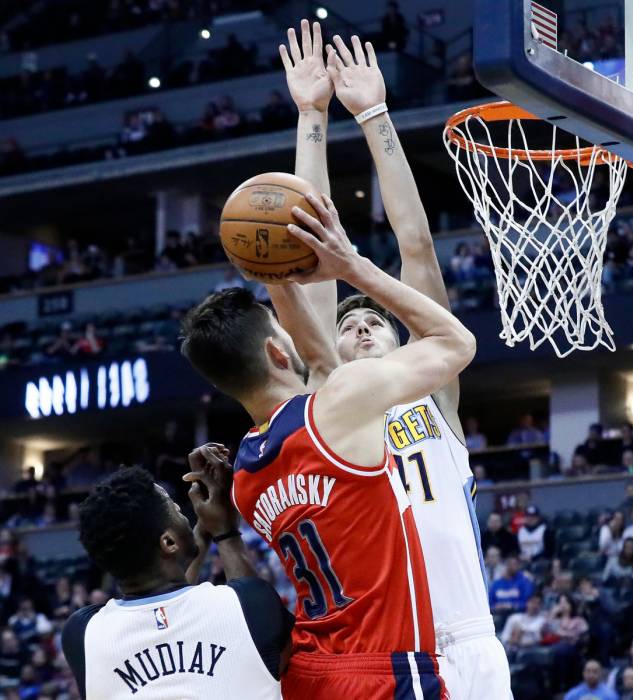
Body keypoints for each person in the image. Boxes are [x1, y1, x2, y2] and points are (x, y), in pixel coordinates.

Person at [270, 27, 510, 699]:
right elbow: (310, 266)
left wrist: (375, 116)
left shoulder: (433, 398)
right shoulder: (329, 403)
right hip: (386, 652)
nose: (366, 325)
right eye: (349, 327)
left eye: (377, 319)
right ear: (327, 354)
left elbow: (417, 248)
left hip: (469, 644)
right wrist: (311, 117)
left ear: (405, 342)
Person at [180, 205, 467, 695]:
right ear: (276, 351)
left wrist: (276, 274)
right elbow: (454, 341)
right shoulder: (342, 404)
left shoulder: (246, 475)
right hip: (385, 667)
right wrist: (351, 266)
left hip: (313, 673)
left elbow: (314, 357)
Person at [62, 453, 292, 699]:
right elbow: (268, 646)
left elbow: (169, 612)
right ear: (169, 542)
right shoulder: (251, 603)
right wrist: (225, 531)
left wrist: (201, 535)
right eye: (174, 507)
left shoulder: (83, 635)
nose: (184, 512)